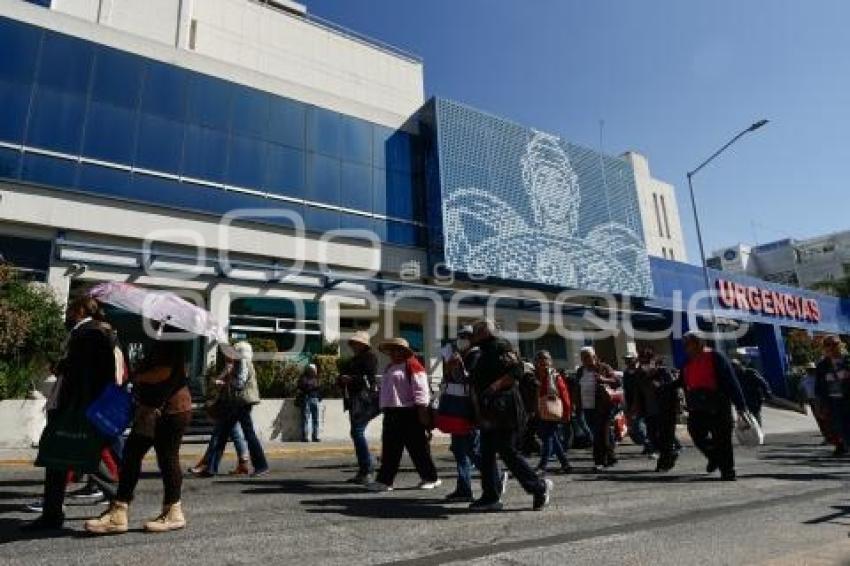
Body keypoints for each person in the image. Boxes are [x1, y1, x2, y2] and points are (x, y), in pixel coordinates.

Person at [23, 297, 118, 531]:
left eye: (70, 310)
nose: (67, 314)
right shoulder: (87, 333)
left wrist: (65, 370)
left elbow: (89, 373)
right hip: (74, 405)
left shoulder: (90, 334)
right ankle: (52, 513)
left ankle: (119, 500)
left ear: (80, 310)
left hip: (76, 407)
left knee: (82, 454)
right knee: (61, 456)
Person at [85, 331, 193, 534]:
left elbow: (163, 372)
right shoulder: (162, 340)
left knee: (167, 458)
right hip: (151, 409)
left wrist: (137, 376)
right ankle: (119, 511)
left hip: (169, 410)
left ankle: (173, 512)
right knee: (131, 455)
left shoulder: (171, 339)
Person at [469, 320, 551, 512]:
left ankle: (539, 487)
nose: (474, 334)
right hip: (489, 410)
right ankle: (490, 496)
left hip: (505, 410)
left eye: (478, 330)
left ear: (486, 331)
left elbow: (517, 370)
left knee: (507, 451)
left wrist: (494, 386)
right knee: (487, 454)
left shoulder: (501, 346)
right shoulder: (481, 352)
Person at [366, 338, 439, 491]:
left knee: (418, 448)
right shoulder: (390, 367)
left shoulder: (413, 365)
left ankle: (430, 477)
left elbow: (421, 390)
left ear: (404, 351)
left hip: (410, 411)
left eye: (397, 350)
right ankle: (385, 481)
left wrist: (422, 411)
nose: (393, 353)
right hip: (391, 412)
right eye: (391, 350)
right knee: (390, 449)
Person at [677, 332, 747, 481]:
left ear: (700, 343)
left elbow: (731, 382)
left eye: (689, 343)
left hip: (718, 404)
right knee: (696, 433)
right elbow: (681, 381)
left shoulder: (716, 357)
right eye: (685, 344)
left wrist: (741, 406)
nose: (686, 347)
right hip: (697, 406)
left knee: (723, 440)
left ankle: (728, 471)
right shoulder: (687, 362)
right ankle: (714, 456)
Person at [203, 342, 269, 476]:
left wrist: (224, 382)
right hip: (236, 403)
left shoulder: (243, 362)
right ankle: (211, 467)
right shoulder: (240, 363)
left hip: (241, 403)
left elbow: (239, 383)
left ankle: (261, 465)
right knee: (224, 433)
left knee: (245, 434)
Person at [189, 351, 252, 476]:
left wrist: (222, 382)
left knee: (220, 435)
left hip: (230, 404)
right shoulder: (231, 366)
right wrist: (218, 381)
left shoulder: (239, 366)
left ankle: (207, 464)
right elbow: (220, 380)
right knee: (234, 433)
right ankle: (242, 462)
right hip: (228, 404)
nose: (225, 356)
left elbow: (238, 384)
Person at [338, 331, 379, 484]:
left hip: (363, 400)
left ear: (363, 344)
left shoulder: (369, 358)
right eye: (353, 343)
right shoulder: (354, 359)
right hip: (354, 400)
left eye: (357, 343)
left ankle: (367, 467)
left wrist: (351, 379)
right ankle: (365, 468)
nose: (354, 345)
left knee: (357, 431)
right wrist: (342, 379)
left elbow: (369, 378)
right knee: (356, 432)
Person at [574, 346, 621, 471]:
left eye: (587, 357)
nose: (585, 359)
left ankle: (600, 461)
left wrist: (603, 379)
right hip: (587, 406)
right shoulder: (580, 371)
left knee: (600, 434)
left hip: (603, 406)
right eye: (582, 357)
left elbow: (617, 381)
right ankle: (611, 457)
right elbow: (577, 388)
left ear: (594, 356)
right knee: (600, 433)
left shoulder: (603, 367)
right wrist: (577, 404)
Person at [534, 350, 572, 475]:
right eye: (540, 358)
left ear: (550, 361)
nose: (543, 361)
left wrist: (567, 412)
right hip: (542, 411)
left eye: (545, 358)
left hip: (553, 411)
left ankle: (542, 466)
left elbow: (564, 394)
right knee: (553, 438)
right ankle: (566, 464)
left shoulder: (555, 376)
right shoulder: (536, 376)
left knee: (548, 438)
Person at [814, 335, 850, 457]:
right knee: (838, 425)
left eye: (834, 344)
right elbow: (818, 387)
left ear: (841, 345)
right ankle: (842, 445)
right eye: (827, 345)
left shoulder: (847, 361)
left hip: (848, 398)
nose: (831, 347)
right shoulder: (822, 365)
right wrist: (819, 405)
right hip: (833, 400)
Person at [800, 362, 834, 445]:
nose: (810, 371)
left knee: (826, 419)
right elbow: (802, 390)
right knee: (819, 420)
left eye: (812, 369)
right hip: (812, 400)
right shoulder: (804, 379)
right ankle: (826, 437)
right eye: (809, 369)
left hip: (820, 400)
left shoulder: (818, 378)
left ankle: (832, 437)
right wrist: (802, 401)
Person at [622, 352, 650, 453]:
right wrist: (626, 404)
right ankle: (648, 444)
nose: (627, 362)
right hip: (631, 403)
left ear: (635, 360)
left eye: (630, 359)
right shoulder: (626, 374)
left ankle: (649, 445)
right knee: (636, 426)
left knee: (640, 425)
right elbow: (626, 390)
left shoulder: (641, 371)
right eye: (626, 360)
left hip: (643, 402)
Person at [732, 358, 773, 425]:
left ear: (740, 365)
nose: (734, 369)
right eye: (733, 368)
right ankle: (749, 427)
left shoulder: (750, 372)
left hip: (754, 398)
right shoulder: (734, 376)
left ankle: (757, 428)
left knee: (755, 415)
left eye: (735, 367)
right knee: (743, 416)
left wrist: (767, 393)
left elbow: (762, 383)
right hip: (742, 400)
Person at [298, 363, 322, 442]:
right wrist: (312, 386)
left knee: (314, 419)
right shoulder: (304, 377)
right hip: (307, 398)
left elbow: (318, 387)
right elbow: (303, 386)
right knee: (307, 418)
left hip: (314, 399)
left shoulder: (316, 378)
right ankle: (306, 437)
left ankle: (314, 436)